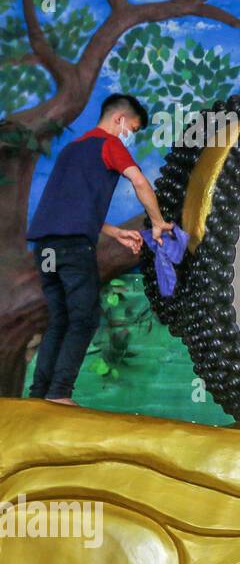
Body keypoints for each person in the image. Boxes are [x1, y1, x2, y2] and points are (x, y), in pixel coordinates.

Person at [25, 93, 173, 405]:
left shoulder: (71, 150)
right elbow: (140, 183)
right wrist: (157, 222)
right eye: (131, 128)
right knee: (84, 319)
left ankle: (39, 395)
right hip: (72, 249)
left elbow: (67, 208)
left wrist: (114, 232)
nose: (130, 136)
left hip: (46, 249)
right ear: (119, 120)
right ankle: (60, 393)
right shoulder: (109, 144)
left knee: (60, 319)